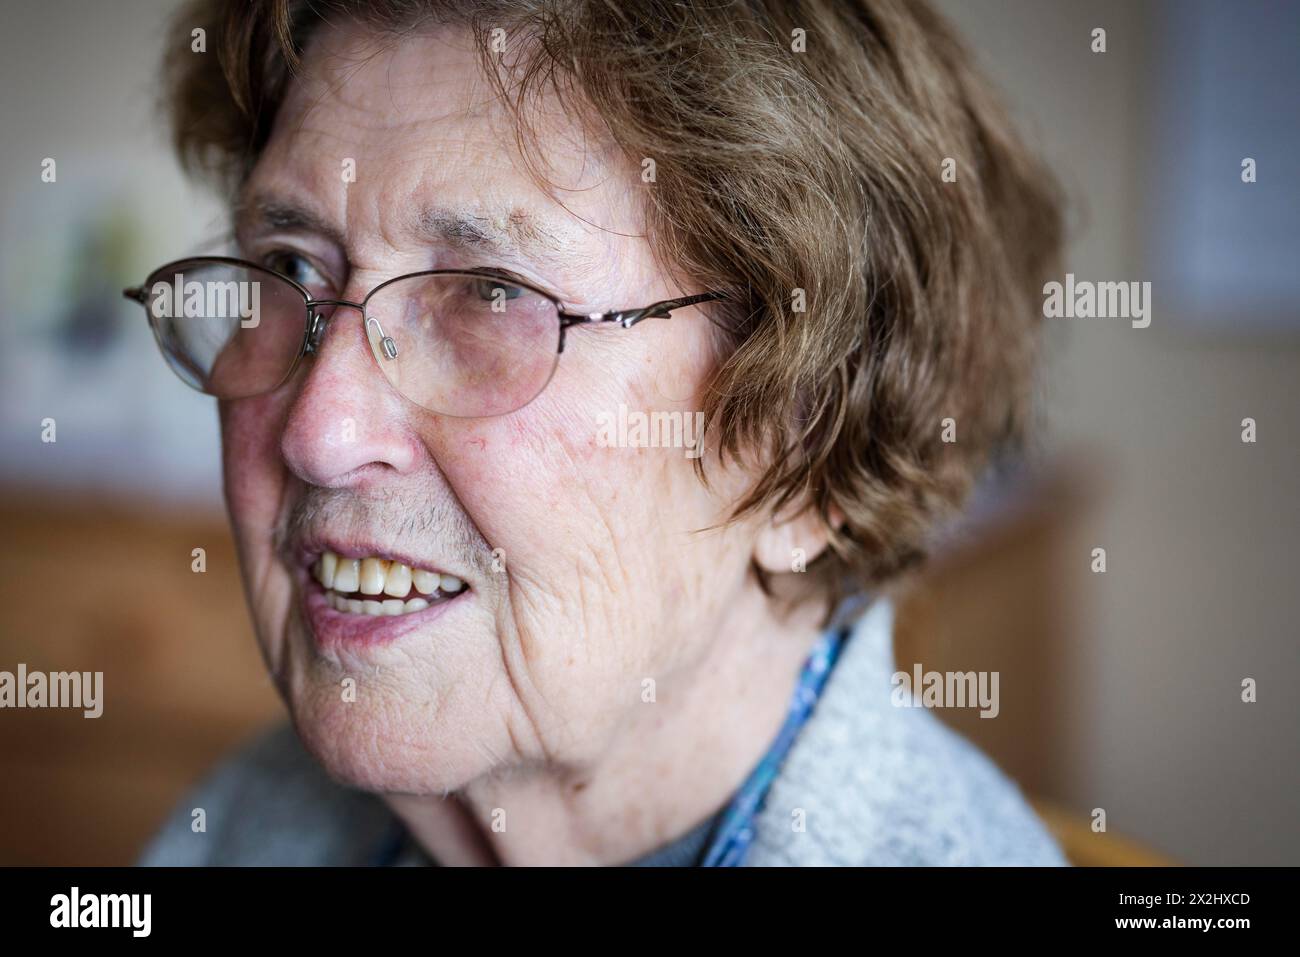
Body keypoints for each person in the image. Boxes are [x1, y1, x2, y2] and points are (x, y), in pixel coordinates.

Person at [134, 0, 1065, 866]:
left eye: (491, 292)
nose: (318, 430)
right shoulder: (237, 830)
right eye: (290, 262)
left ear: (806, 448)